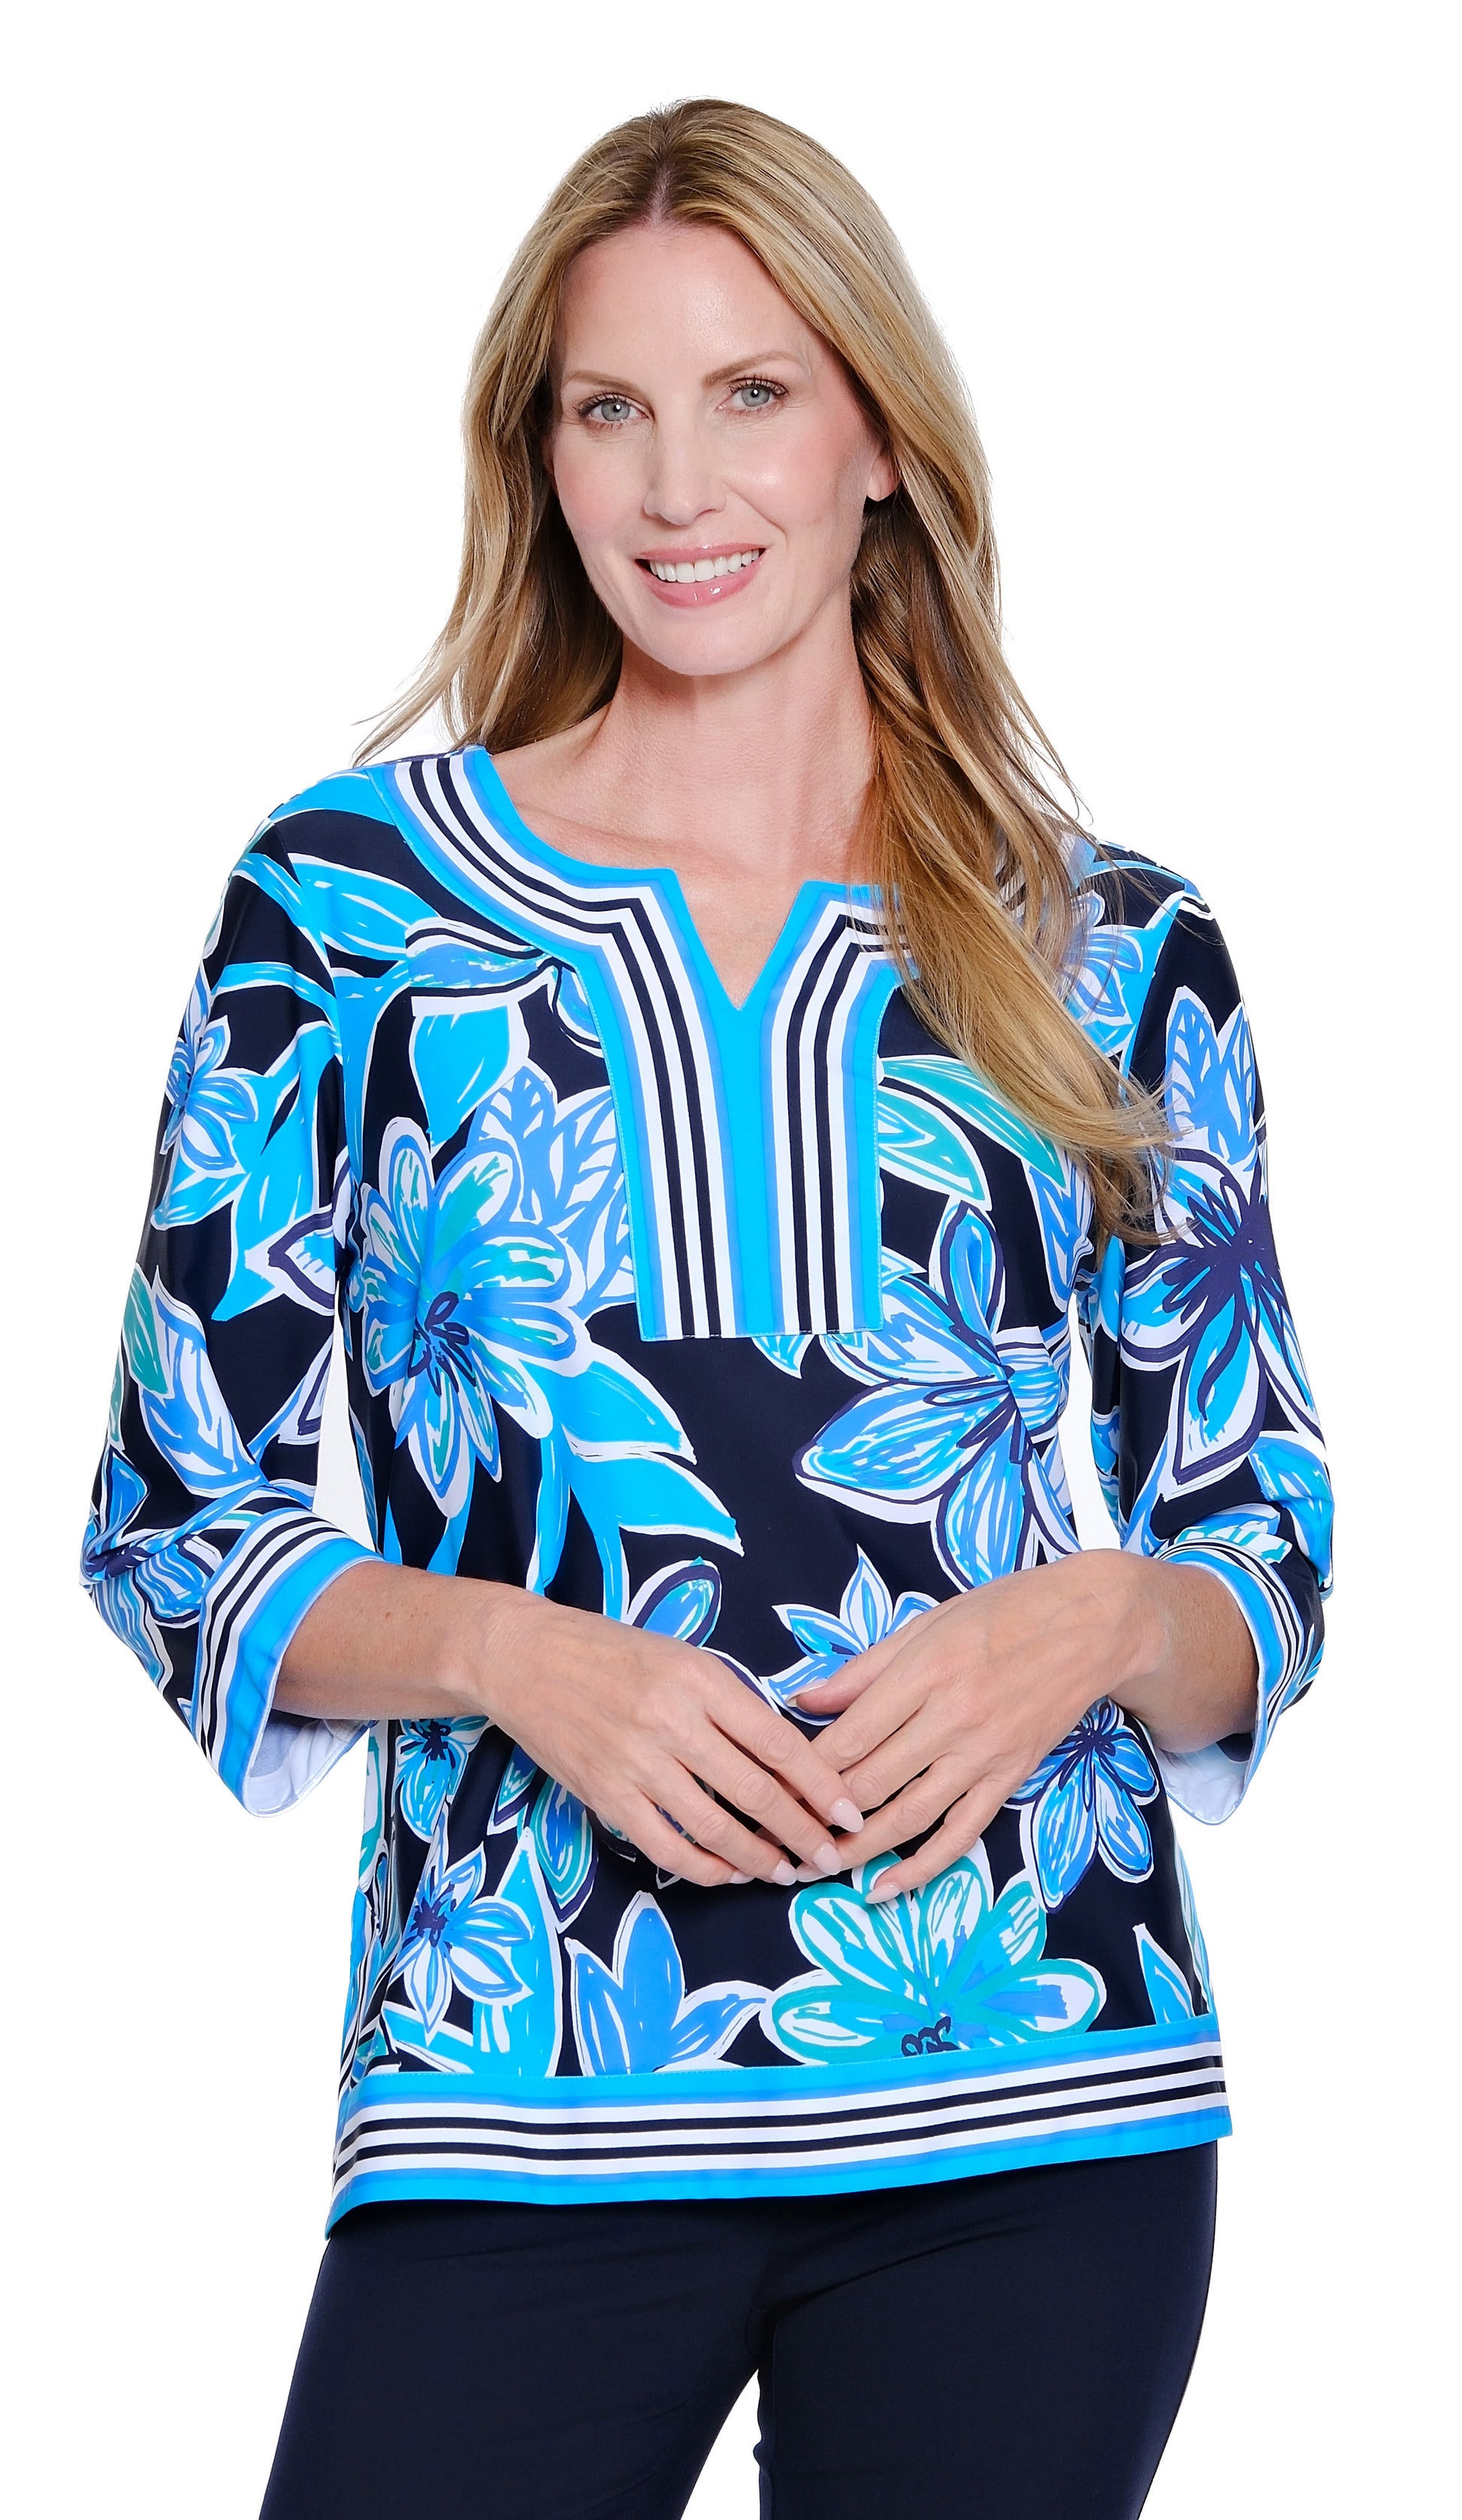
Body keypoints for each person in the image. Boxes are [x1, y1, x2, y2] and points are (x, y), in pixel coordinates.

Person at [82, 97, 1333, 2520]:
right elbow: (172, 1516)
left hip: (1038, 2085)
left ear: (878, 437)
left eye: (751, 392)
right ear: (535, 453)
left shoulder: (1114, 940)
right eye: (608, 406)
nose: (678, 484)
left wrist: (1090, 1620)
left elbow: (1261, 1540)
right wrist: (511, 1655)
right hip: (522, 2068)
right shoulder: (343, 910)